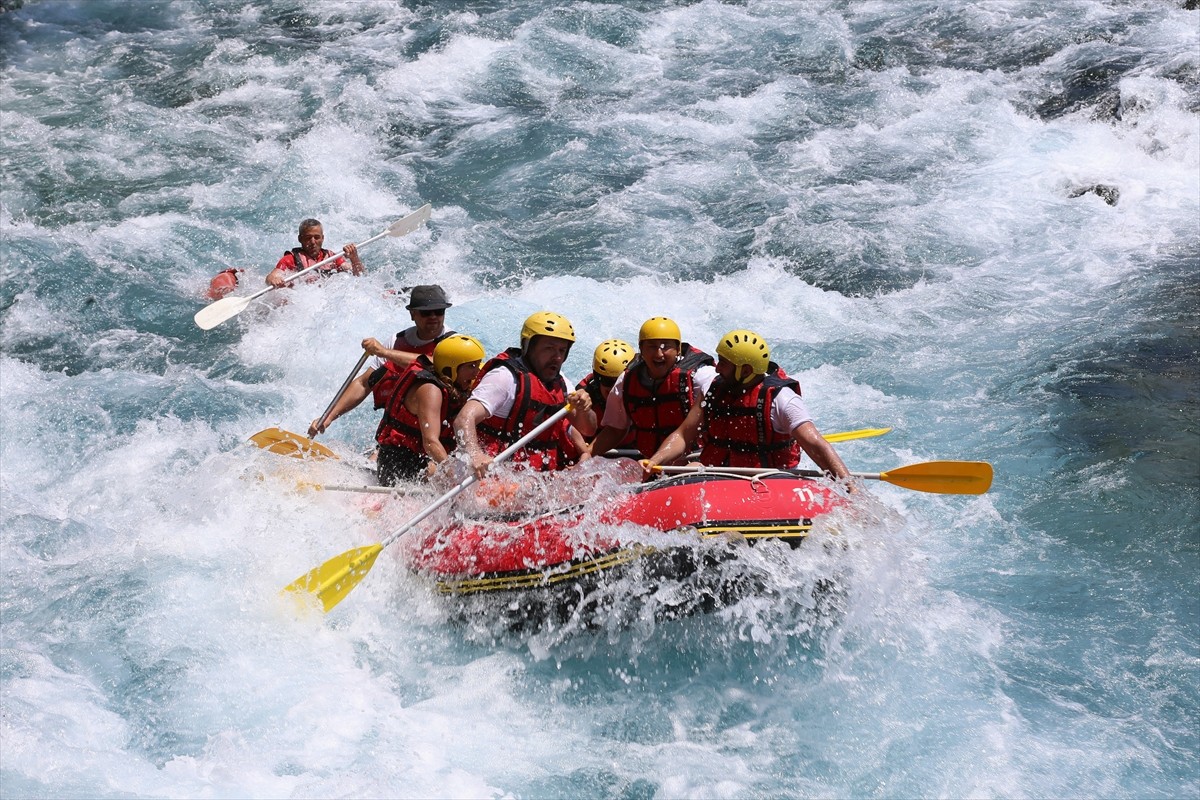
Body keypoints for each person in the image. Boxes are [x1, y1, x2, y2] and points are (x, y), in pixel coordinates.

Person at [641, 329, 851, 484]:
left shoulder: (781, 399)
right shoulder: (713, 389)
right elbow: (683, 435)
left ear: (746, 370)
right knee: (688, 471)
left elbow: (816, 445)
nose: (718, 368)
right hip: (719, 473)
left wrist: (850, 487)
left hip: (769, 479)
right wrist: (655, 460)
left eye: (724, 363)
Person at [313, 334, 486, 485]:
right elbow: (431, 443)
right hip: (399, 465)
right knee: (451, 473)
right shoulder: (430, 391)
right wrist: (454, 476)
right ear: (452, 368)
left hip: (419, 460)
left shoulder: (449, 377)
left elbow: (426, 359)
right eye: (471, 366)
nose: (476, 372)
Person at [454, 311, 596, 478]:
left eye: (562, 350)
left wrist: (584, 409)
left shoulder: (562, 383)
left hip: (530, 479)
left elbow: (588, 429)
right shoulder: (504, 377)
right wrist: (474, 454)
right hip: (489, 475)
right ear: (528, 346)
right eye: (549, 348)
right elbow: (463, 419)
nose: (557, 357)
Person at [586, 316, 716, 461]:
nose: (659, 354)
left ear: (678, 349)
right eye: (652, 346)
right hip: (650, 462)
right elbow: (615, 429)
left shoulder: (701, 376)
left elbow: (686, 433)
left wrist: (654, 461)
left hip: (696, 460)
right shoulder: (627, 380)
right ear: (641, 349)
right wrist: (586, 456)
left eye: (666, 346)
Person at [362, 285, 455, 410]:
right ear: (412, 314)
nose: (433, 317)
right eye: (426, 312)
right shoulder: (396, 341)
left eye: (439, 311)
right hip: (400, 421)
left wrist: (383, 352)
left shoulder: (454, 342)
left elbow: (433, 364)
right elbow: (363, 384)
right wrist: (329, 417)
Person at [265, 218, 363, 287]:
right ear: (300, 239)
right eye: (308, 238)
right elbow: (271, 277)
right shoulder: (291, 259)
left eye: (317, 237)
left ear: (322, 238)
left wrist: (354, 258)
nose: (313, 242)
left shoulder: (331, 257)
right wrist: (274, 280)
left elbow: (359, 275)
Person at [575, 339, 636, 449]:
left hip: (634, 452)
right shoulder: (585, 393)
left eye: (619, 382)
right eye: (608, 381)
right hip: (593, 452)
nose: (614, 388)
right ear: (598, 379)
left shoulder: (640, 391)